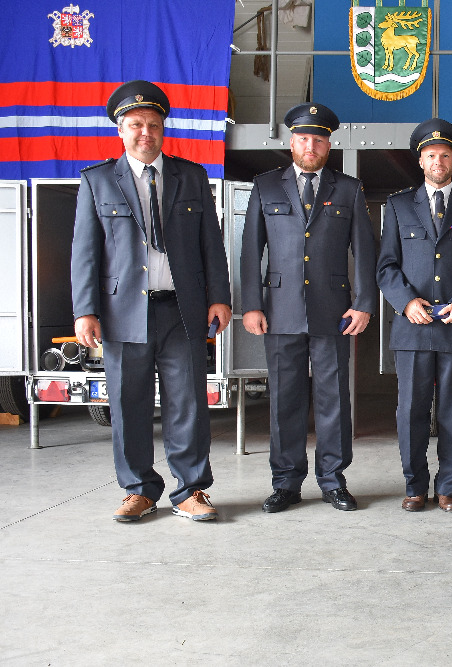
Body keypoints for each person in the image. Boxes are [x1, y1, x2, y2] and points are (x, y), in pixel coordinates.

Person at [71, 80, 232, 522]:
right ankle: (138, 489)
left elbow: (211, 244)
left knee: (189, 403)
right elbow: (85, 252)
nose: (146, 132)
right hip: (122, 312)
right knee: (128, 404)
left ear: (164, 129)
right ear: (120, 130)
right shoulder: (98, 180)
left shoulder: (191, 176)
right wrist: (85, 310)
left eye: (154, 124)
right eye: (136, 124)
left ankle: (190, 490)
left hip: (182, 309)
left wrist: (219, 297)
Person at [241, 103, 378, 513]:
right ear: (291, 142)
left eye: (318, 139)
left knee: (333, 398)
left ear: (329, 145)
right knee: (285, 399)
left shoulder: (348, 189)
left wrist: (364, 304)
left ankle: (333, 481)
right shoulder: (266, 185)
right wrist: (251, 305)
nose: (310, 146)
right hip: (279, 311)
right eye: (303, 138)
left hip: (334, 312)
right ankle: (286, 483)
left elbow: (365, 252)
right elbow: (250, 250)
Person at [376, 118, 452, 513]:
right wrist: (407, 302)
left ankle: (447, 487)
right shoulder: (397, 206)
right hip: (412, 327)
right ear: (420, 161)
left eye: (444, 155)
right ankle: (415, 487)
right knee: (411, 411)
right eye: (430, 155)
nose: (438, 161)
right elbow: (386, 266)